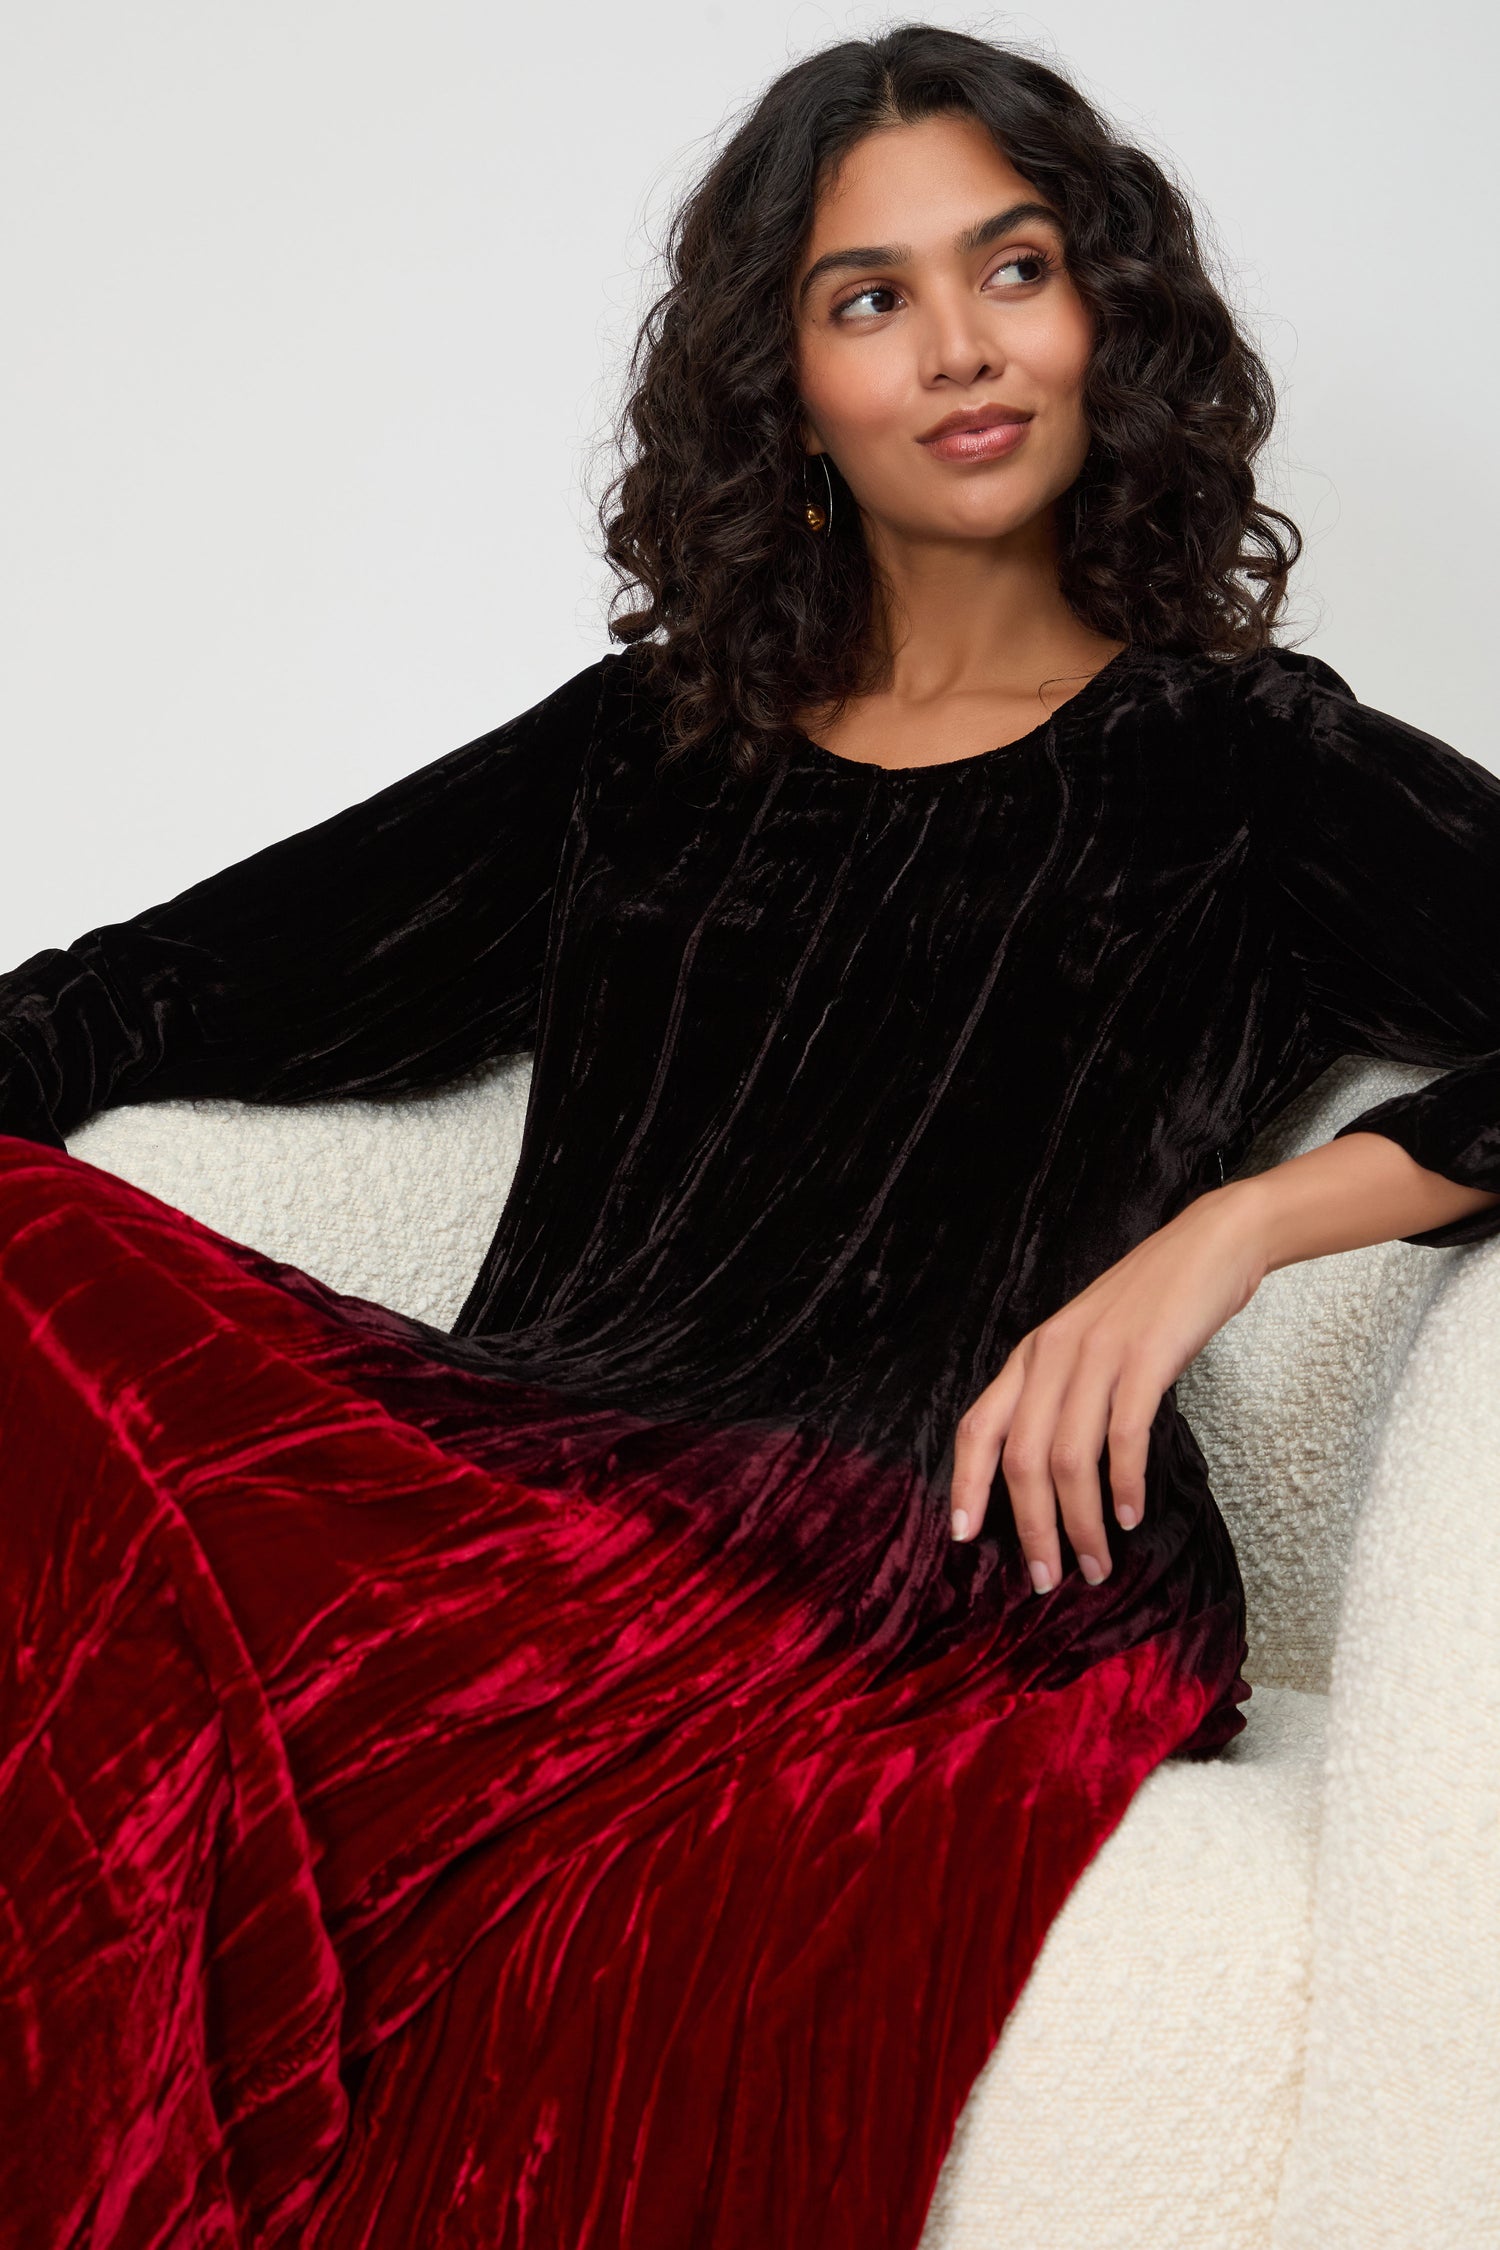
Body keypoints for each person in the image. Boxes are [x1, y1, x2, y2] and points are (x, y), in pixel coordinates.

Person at [2, 23, 1498, 2248]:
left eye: (1015, 267)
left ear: (1110, 310)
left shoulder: (1247, 764)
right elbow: (143, 990)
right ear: (783, 382)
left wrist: (1248, 1227)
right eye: (870, 297)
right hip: (542, 1494)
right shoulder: (649, 748)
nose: (965, 348)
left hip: (955, 1556)